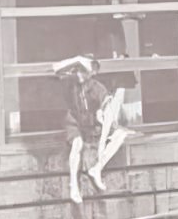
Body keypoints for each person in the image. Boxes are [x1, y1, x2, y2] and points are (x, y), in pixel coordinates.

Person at [54, 55, 130, 205]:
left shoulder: (97, 88)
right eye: (77, 71)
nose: (79, 74)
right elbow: (56, 68)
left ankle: (96, 169)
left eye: (84, 71)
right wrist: (76, 59)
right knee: (77, 145)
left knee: (121, 134)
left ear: (91, 72)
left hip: (92, 124)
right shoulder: (70, 82)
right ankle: (73, 186)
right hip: (74, 121)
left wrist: (102, 145)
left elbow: (108, 117)